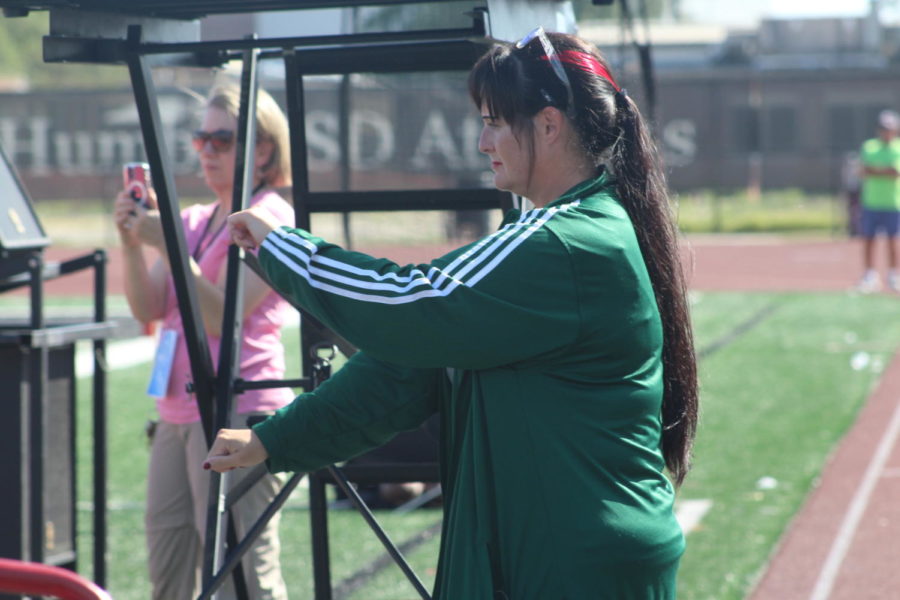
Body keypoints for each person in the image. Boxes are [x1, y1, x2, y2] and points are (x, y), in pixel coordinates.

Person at [207, 28, 698, 599]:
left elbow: (412, 305)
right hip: (557, 550)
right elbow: (409, 366)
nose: (483, 141)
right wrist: (276, 438)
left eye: (493, 121)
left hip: (568, 559)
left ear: (547, 124)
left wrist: (282, 246)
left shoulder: (565, 239)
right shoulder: (574, 230)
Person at [113, 83, 293, 600]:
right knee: (168, 572)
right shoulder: (191, 219)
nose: (207, 151)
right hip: (177, 411)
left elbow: (223, 318)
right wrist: (130, 244)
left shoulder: (271, 216)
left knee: (245, 574)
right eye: (200, 139)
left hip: (239, 408)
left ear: (261, 150)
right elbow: (148, 308)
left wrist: (164, 242)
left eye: (222, 139)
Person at [856, 109, 900, 293]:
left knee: (893, 241)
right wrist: (884, 170)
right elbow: (863, 171)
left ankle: (893, 276)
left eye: (890, 128)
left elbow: (895, 172)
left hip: (893, 203)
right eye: (883, 128)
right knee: (868, 240)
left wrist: (876, 170)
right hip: (871, 203)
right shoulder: (869, 147)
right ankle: (870, 276)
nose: (886, 131)